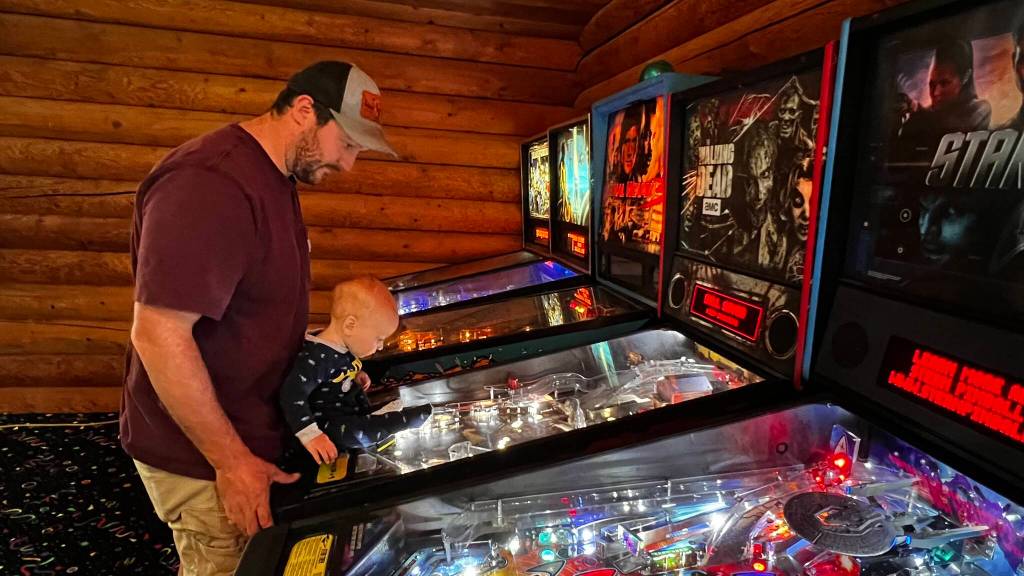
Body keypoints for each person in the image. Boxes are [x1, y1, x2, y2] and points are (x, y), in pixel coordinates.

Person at [121, 60, 398, 576]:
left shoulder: (272, 175)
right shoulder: (211, 184)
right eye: (349, 144)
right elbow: (159, 334)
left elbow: (253, 311)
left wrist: (331, 362)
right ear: (303, 110)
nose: (350, 164)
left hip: (248, 432)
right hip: (204, 455)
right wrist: (231, 462)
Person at [280, 277, 432, 466]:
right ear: (350, 325)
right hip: (329, 426)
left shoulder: (342, 347)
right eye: (378, 338)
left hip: (350, 411)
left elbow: (337, 373)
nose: (381, 346)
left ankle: (382, 416)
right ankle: (397, 421)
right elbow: (291, 394)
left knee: (364, 420)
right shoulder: (316, 357)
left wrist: (356, 374)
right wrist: (311, 435)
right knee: (360, 434)